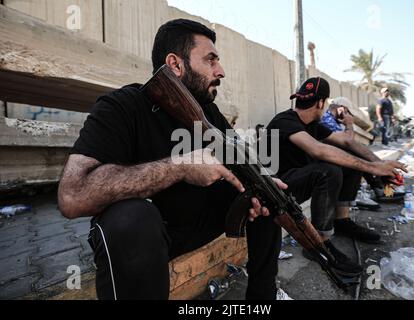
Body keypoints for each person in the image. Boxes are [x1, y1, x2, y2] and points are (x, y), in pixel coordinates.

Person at [58, 19, 290, 300]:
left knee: (267, 194)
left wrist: (258, 183)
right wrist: (180, 167)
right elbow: (72, 196)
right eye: (211, 60)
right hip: (149, 239)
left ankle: (263, 298)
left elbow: (238, 160)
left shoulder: (208, 112)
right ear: (175, 65)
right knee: (130, 218)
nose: (221, 71)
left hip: (199, 222)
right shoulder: (122, 106)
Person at [266, 78, 407, 276]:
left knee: (349, 162)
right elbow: (318, 151)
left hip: (297, 181)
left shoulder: (312, 124)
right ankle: (317, 245)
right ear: (321, 103)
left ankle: (342, 221)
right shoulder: (285, 121)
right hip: (276, 189)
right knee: (329, 170)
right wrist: (373, 168)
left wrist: (380, 165)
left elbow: (347, 143)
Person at [321, 98, 404, 206]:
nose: (349, 116)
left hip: (333, 154)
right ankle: (379, 190)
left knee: (362, 152)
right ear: (342, 109)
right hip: (328, 157)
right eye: (348, 113)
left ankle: (381, 189)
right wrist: (349, 124)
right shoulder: (327, 120)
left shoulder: (333, 120)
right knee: (358, 157)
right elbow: (348, 142)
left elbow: (349, 142)